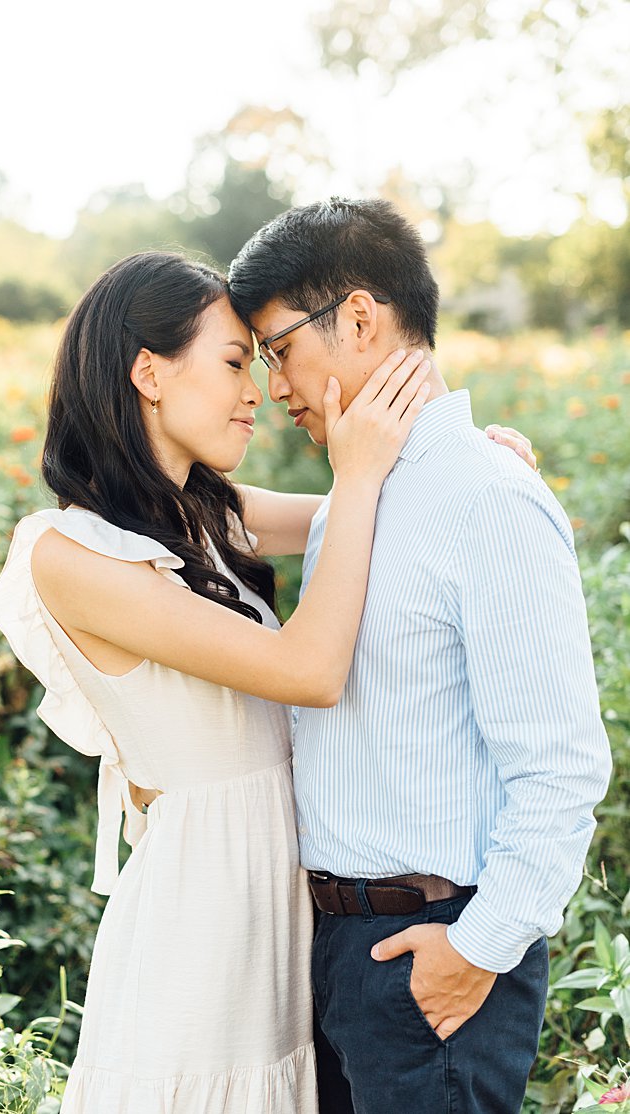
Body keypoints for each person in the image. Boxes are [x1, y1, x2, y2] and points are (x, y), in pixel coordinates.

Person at [0, 248, 435, 1110]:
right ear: (148, 372)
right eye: (235, 362)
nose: (258, 392)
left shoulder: (207, 513)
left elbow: (368, 520)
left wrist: (470, 462)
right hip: (199, 917)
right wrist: (361, 466)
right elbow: (309, 670)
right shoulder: (69, 554)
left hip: (276, 904)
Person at [227, 198, 611, 1114]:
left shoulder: (486, 498)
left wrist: (476, 951)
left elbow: (560, 766)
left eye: (278, 348)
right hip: (340, 952)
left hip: (435, 947)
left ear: (358, 319)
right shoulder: (355, 503)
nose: (275, 385)